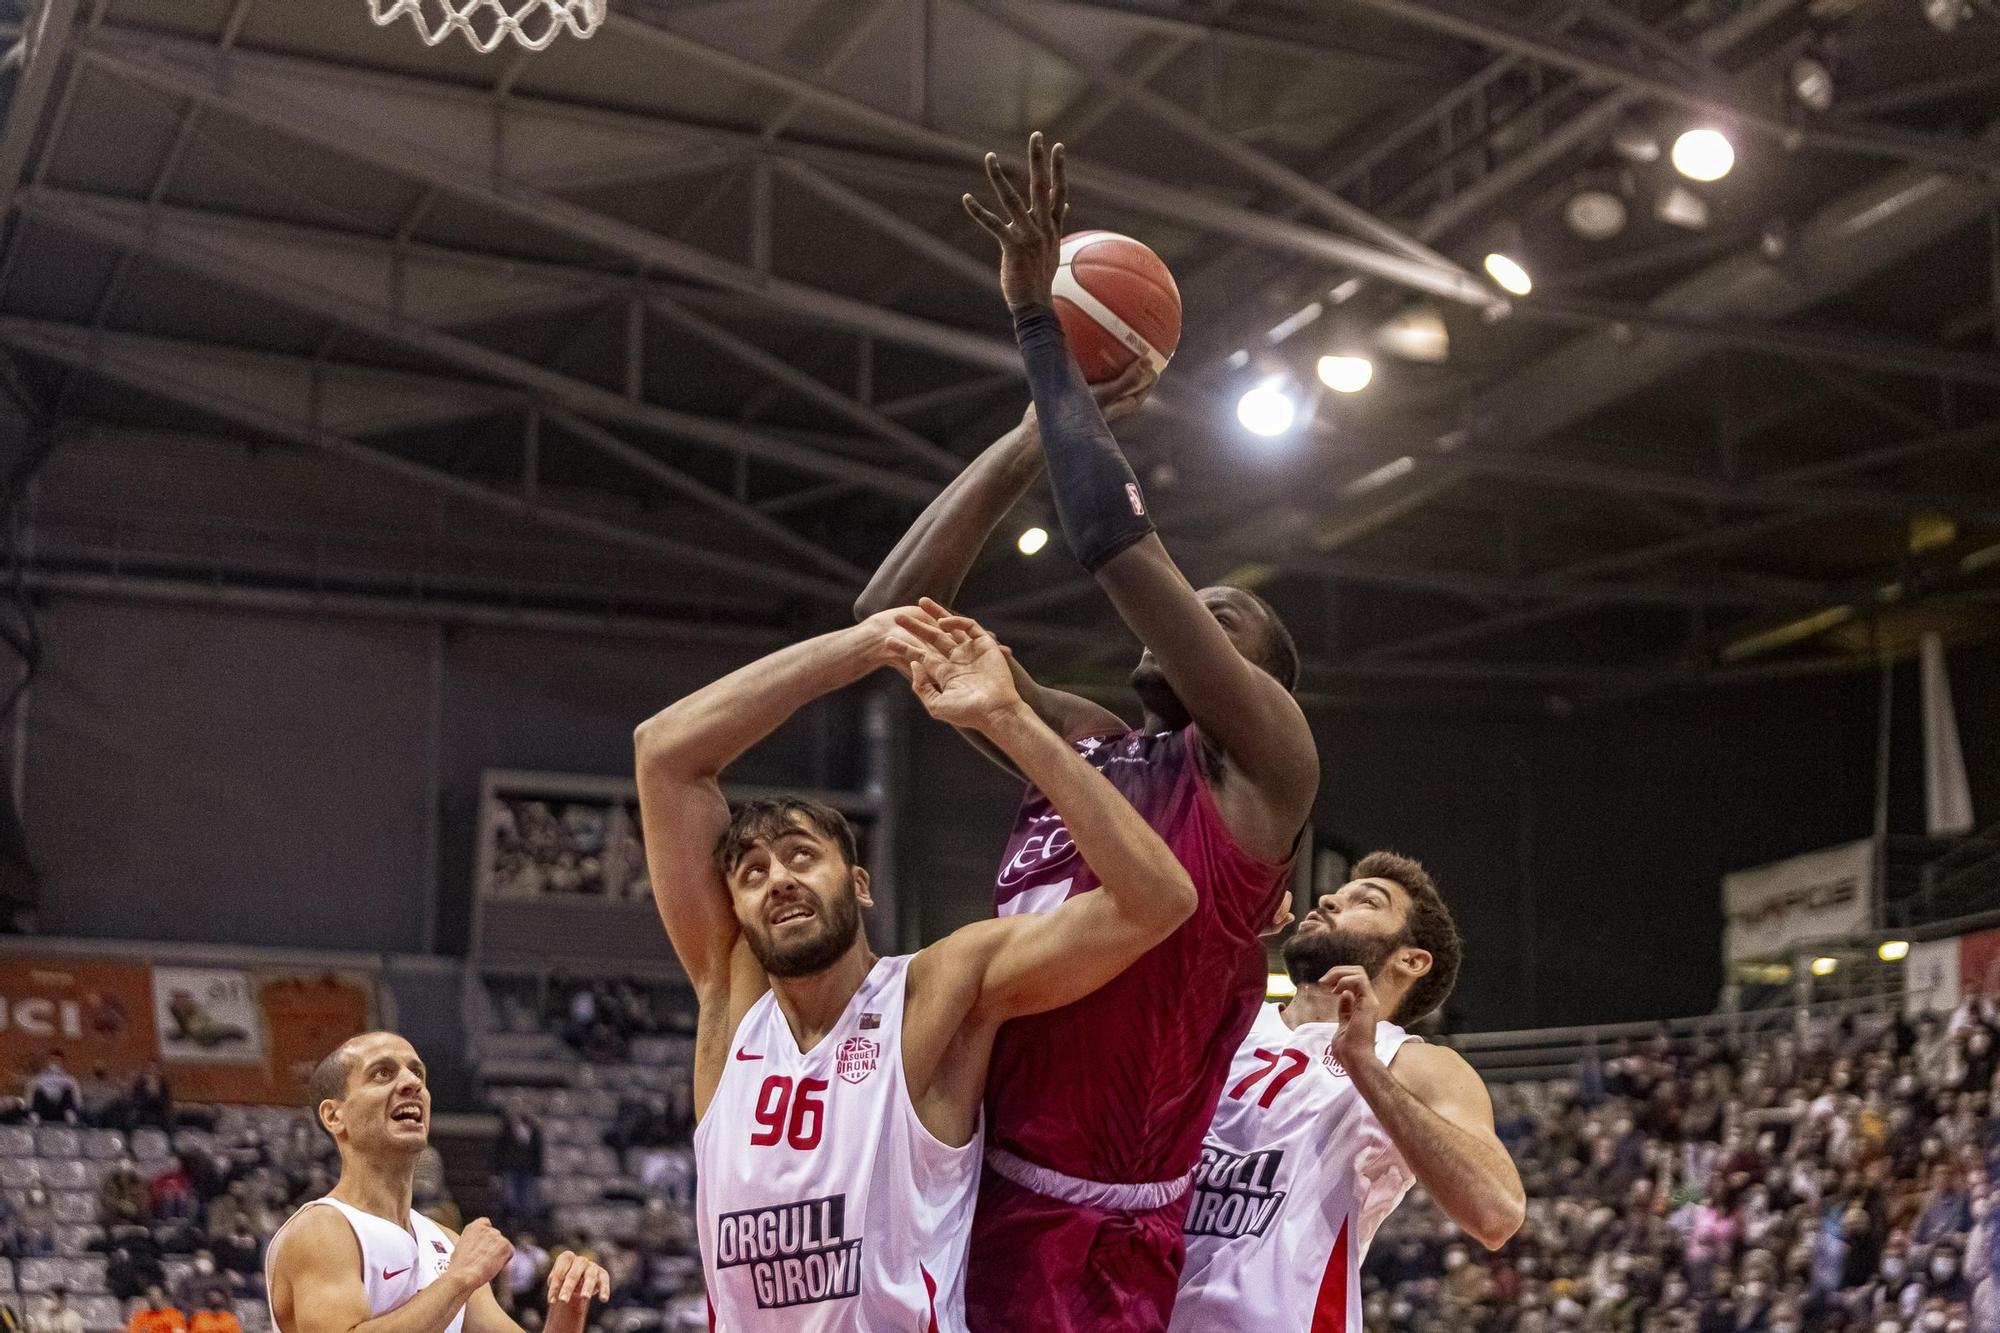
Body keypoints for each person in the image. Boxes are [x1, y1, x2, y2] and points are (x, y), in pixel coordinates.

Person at [853, 130, 1320, 1331]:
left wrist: (1033, 330)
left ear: (1257, 681)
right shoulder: (1097, 747)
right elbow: (887, 619)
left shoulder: (1266, 768)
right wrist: (1027, 427)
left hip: (1096, 1226)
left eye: (1222, 618)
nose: (1192, 613)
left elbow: (1114, 545)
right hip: (965, 1177)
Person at [634, 604, 1200, 1329]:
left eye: (802, 855)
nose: (777, 877)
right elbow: (663, 752)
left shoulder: (936, 986)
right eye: (751, 870)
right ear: (736, 907)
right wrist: (865, 644)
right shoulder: (732, 998)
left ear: (860, 884)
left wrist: (1008, 719)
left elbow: (1160, 900)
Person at [1168, 852, 1524, 1330]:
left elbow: (1496, 1212)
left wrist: (1363, 1065)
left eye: (1367, 902)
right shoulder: (1223, 1020)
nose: (1330, 899)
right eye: (1338, 893)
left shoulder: (1412, 1062)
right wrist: (1227, 938)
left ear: (1411, 959)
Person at [264, 1031, 612, 1333]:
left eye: (417, 1073)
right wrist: (459, 1279)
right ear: (334, 1115)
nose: (412, 1082)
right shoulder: (323, 1229)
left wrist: (569, 1305)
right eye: (382, 1074)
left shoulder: (446, 1242)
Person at [26, 1054, 81, 1124]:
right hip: (44, 1109)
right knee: (38, 1091)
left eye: (57, 1061)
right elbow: (29, 1093)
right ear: (47, 1062)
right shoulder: (39, 1077)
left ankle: (71, 1116)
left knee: (67, 1089)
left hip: (62, 1111)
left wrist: (77, 1110)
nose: (54, 1063)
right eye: (52, 1060)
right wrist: (29, 1110)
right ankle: (34, 1116)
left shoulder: (69, 1078)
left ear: (62, 1063)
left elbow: (76, 1095)